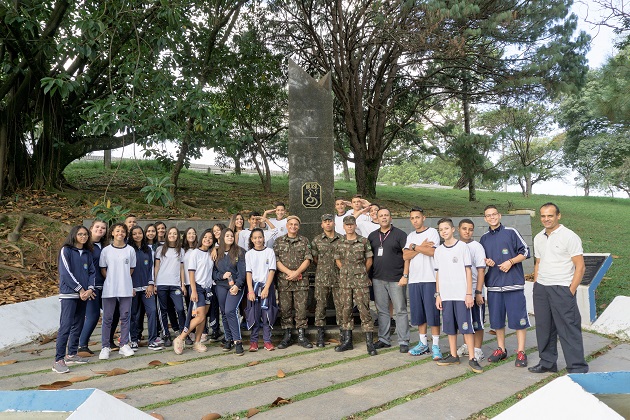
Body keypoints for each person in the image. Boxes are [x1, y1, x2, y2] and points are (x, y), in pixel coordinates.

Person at [529, 203, 589, 374]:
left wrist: (570, 290)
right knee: (544, 327)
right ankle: (547, 362)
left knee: (568, 328)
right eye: (543, 216)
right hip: (542, 288)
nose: (546, 219)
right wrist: (536, 283)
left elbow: (580, 267)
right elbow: (538, 262)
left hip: (562, 288)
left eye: (550, 215)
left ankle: (577, 367)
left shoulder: (569, 236)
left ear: (558, 216)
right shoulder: (538, 237)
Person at [479, 205, 530, 368]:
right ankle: (501, 349)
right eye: (488, 215)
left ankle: (521, 351)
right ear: (485, 218)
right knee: (497, 321)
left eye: (494, 214)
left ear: (499, 216)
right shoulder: (484, 238)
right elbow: (481, 260)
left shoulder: (511, 232)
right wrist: (486, 261)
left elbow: (526, 251)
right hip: (494, 285)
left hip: (513, 284)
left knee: (519, 320)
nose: (492, 217)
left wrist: (511, 261)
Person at [433, 218, 483, 374]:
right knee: (449, 326)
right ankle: (453, 355)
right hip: (446, 295)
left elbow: (468, 271)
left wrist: (469, 294)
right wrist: (438, 295)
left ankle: (472, 358)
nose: (444, 232)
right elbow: (438, 273)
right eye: (441, 230)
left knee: (467, 327)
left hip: (462, 295)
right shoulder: (438, 250)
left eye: (446, 228)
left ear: (453, 229)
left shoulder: (462, 247)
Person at [53, 226, 96, 373]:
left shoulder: (88, 253)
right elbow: (65, 273)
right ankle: (58, 360)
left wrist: (90, 289)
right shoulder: (66, 250)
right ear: (74, 235)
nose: (83, 237)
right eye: (80, 234)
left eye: (85, 234)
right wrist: (81, 289)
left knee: (78, 324)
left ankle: (71, 353)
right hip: (69, 294)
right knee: (66, 326)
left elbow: (92, 272)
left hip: (83, 295)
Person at [368, 208, 410, 353]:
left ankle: (403, 340)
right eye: (381, 216)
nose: (384, 218)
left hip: (396, 279)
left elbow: (407, 256)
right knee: (382, 311)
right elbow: (369, 258)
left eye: (386, 215)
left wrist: (405, 275)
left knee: (400, 310)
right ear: (377, 218)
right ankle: (384, 339)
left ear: (390, 218)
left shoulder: (400, 234)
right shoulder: (372, 236)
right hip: (378, 278)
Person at [334, 215, 377, 356]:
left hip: (360, 280)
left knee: (364, 309)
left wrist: (361, 272)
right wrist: (346, 271)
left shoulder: (363, 241)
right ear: (344, 227)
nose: (350, 227)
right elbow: (338, 260)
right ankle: (347, 341)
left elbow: (369, 259)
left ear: (355, 225)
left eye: (352, 224)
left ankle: (370, 343)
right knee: (345, 309)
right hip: (345, 281)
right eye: (347, 225)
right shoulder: (339, 242)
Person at [403, 207, 442, 360]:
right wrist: (420, 248)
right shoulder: (410, 235)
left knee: (432, 314)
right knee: (419, 315)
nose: (415, 220)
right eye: (412, 218)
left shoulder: (432, 232)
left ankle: (436, 345)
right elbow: (405, 255)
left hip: (430, 279)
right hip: (414, 279)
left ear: (423, 218)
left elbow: (433, 252)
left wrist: (414, 247)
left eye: (417, 217)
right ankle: (423, 344)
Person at [273, 215, 313, 349]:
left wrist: (297, 272)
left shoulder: (304, 240)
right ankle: (287, 335)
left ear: (299, 226)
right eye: (291, 224)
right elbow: (276, 260)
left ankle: (302, 335)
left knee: (301, 309)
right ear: (286, 225)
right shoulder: (279, 241)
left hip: (301, 281)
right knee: (285, 309)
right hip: (285, 281)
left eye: (296, 224)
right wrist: (289, 273)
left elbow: (308, 259)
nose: (293, 226)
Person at [173, 229, 215, 355]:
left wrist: (215, 248)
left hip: (208, 288)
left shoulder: (210, 253)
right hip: (197, 287)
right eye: (205, 237)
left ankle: (197, 342)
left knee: (203, 317)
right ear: (201, 238)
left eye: (210, 238)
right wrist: (194, 290)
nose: (207, 239)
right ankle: (180, 338)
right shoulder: (195, 253)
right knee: (199, 316)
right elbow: (191, 272)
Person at [99, 223, 136, 359]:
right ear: (113, 233)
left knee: (125, 316)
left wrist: (123, 278)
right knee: (107, 318)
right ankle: (105, 346)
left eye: (123, 231)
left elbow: (131, 268)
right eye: (118, 231)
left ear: (126, 234)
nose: (120, 233)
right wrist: (111, 279)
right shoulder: (106, 251)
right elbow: (103, 269)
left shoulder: (130, 250)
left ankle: (124, 344)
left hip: (125, 288)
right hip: (109, 289)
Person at [456, 219, 487, 362]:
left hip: (475, 289)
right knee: (465, 320)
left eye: (470, 229)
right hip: (461, 290)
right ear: (458, 229)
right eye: (464, 228)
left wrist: (478, 292)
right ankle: (467, 345)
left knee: (477, 322)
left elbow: (481, 270)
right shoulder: (456, 246)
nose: (467, 232)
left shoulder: (477, 247)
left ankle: (477, 349)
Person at [310, 214, 343, 347]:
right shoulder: (317, 240)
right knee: (320, 305)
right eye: (325, 222)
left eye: (330, 221)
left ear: (334, 223)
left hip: (338, 277)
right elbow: (315, 258)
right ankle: (320, 333)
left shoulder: (342, 239)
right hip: (322, 277)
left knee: (341, 305)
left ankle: (343, 331)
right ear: (322, 225)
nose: (328, 224)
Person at [213, 228, 247, 354]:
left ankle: (238, 341)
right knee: (224, 312)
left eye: (231, 236)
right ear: (222, 237)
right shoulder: (217, 253)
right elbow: (213, 273)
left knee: (230, 310)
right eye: (227, 235)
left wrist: (238, 285)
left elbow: (242, 272)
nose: (230, 237)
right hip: (221, 285)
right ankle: (228, 338)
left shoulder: (239, 252)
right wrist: (221, 276)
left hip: (235, 286)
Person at [78, 220, 109, 355]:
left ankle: (108, 342)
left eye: (103, 228)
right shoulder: (85, 246)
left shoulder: (105, 245)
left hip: (106, 285)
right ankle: (82, 345)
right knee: (93, 316)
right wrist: (86, 288)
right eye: (97, 227)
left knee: (113, 314)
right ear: (91, 228)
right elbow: (81, 268)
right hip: (92, 287)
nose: (100, 229)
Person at [129, 226, 162, 351]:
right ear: (131, 236)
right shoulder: (128, 249)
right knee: (133, 314)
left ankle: (152, 340)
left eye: (139, 233)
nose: (137, 235)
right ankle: (133, 339)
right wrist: (128, 286)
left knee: (152, 311)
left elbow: (151, 269)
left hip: (147, 288)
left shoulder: (147, 250)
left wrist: (151, 283)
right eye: (134, 234)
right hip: (132, 288)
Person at [245, 228, 278, 351]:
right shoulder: (249, 254)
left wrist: (267, 288)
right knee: (254, 314)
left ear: (263, 238)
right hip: (254, 287)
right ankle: (253, 341)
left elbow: (272, 271)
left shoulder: (269, 252)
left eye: (260, 237)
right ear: (252, 240)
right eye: (255, 238)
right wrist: (250, 290)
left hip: (266, 287)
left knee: (267, 315)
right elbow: (248, 273)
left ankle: (267, 341)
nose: (258, 240)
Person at [154, 226, 186, 347]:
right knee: (163, 310)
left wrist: (183, 284)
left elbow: (182, 269)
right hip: (162, 283)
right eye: (170, 233)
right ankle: (166, 334)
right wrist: (155, 283)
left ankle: (183, 332)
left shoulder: (181, 250)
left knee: (180, 309)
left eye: (175, 234)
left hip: (175, 284)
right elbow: (156, 267)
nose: (172, 235)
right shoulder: (160, 249)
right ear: (167, 235)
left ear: (178, 236)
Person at [182, 227, 199, 345]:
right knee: (190, 308)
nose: (191, 235)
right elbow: (181, 268)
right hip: (188, 282)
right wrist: (182, 283)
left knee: (199, 309)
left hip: (198, 282)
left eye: (193, 233)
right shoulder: (182, 250)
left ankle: (201, 331)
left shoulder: (199, 249)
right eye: (189, 233)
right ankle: (191, 331)